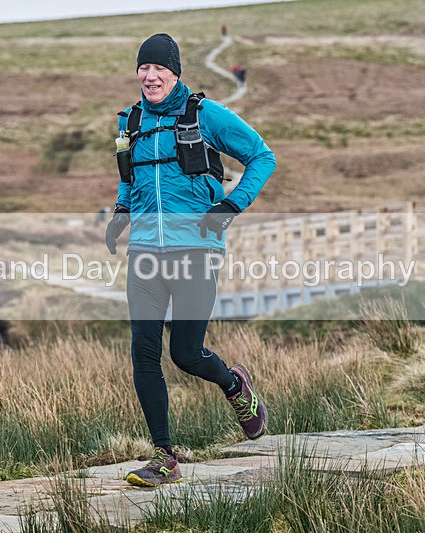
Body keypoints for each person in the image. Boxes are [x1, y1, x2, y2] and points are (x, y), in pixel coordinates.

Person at [105, 33, 276, 487]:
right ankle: (164, 457)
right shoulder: (129, 122)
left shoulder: (205, 115)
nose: (150, 75)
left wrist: (231, 206)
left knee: (185, 353)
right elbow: (129, 177)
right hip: (145, 253)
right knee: (143, 352)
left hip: (196, 249)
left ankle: (234, 385)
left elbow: (262, 156)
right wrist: (121, 213)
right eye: (144, 68)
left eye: (159, 68)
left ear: (175, 72)